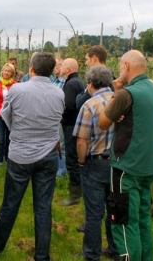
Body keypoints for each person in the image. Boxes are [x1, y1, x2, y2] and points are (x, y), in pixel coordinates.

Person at [0, 52, 65, 260]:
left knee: (10, 203)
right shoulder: (58, 93)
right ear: (52, 69)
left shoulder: (18, 89)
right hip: (48, 155)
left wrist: (20, 133)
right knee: (43, 207)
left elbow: (7, 117)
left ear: (31, 68)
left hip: (21, 155)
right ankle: (42, 256)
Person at [99, 50, 153, 261]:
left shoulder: (127, 94)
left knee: (124, 224)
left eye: (120, 66)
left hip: (125, 168)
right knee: (143, 220)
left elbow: (103, 122)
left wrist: (116, 92)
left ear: (126, 65)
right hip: (148, 167)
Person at [73, 66, 119, 261]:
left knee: (94, 213)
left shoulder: (90, 105)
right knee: (115, 208)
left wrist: (81, 162)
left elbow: (82, 140)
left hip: (96, 163)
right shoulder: (121, 101)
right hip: (119, 163)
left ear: (90, 84)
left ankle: (91, 255)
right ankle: (116, 249)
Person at [59, 58, 86, 206]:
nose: (60, 67)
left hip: (70, 125)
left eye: (62, 65)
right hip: (76, 124)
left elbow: (68, 106)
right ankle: (79, 191)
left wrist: (58, 115)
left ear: (68, 69)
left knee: (72, 159)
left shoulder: (70, 84)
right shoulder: (79, 82)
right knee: (76, 158)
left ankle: (74, 195)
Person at [0, 63, 17, 167]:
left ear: (12, 73)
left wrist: (10, 114)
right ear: (2, 71)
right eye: (5, 70)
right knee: (1, 139)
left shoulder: (16, 85)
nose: (6, 72)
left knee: (10, 138)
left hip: (11, 116)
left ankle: (8, 158)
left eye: (9, 71)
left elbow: (16, 101)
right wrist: (0, 113)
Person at [76, 45, 111, 111]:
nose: (86, 63)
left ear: (94, 58)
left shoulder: (97, 80)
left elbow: (80, 103)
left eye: (87, 59)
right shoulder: (112, 80)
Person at [51, 57, 66, 177]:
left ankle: (61, 171)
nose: (55, 68)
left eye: (58, 65)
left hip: (60, 117)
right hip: (51, 117)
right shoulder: (53, 81)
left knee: (61, 144)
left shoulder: (65, 82)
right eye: (54, 65)